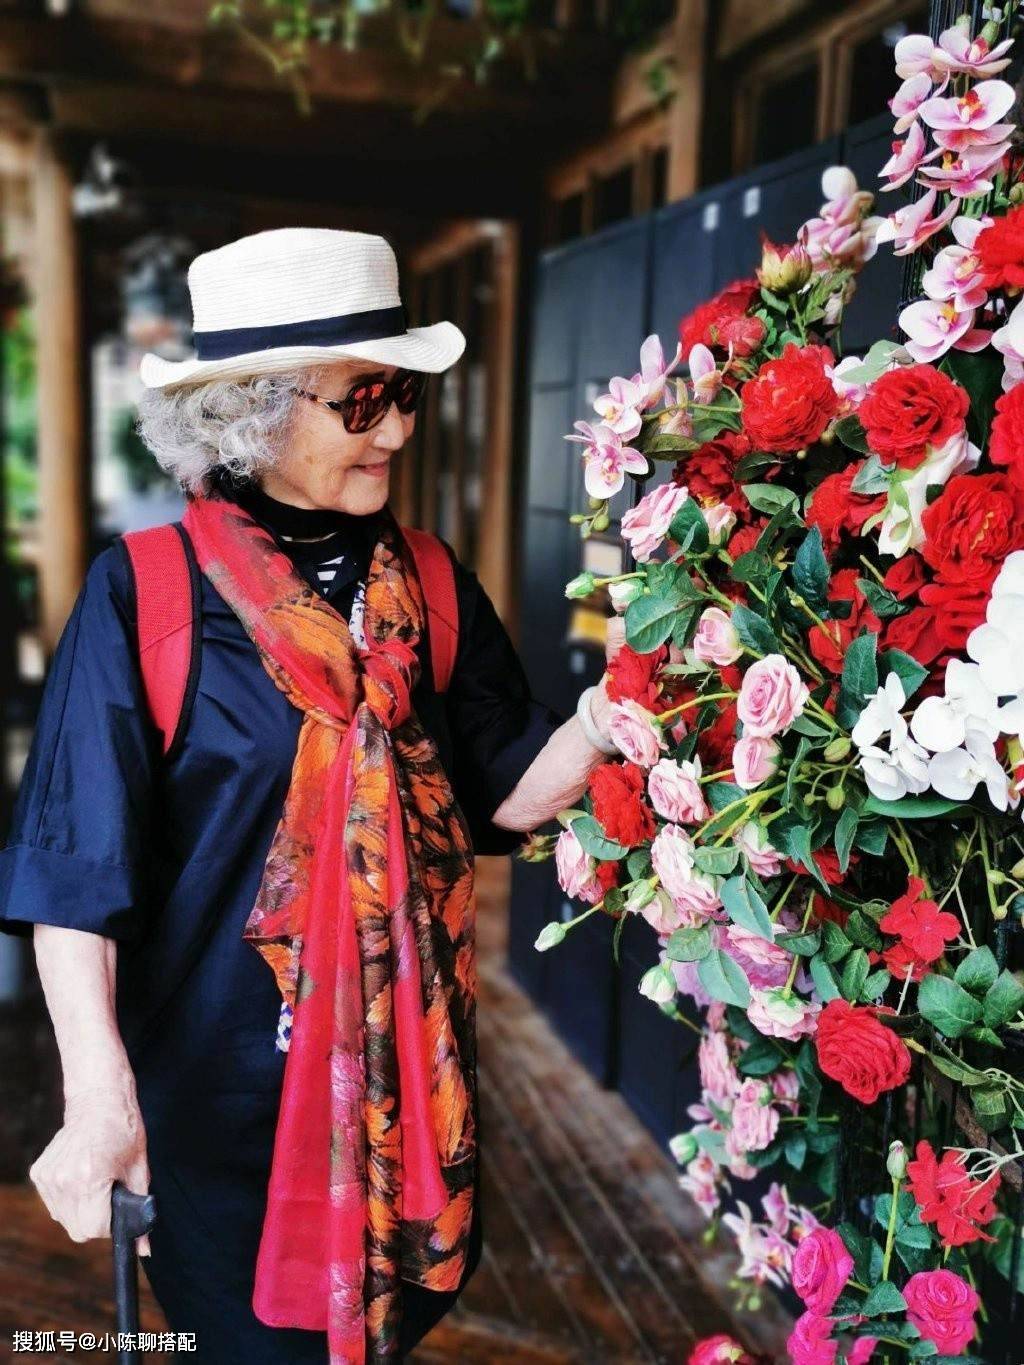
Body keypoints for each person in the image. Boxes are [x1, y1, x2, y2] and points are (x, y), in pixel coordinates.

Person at [0, 228, 623, 1364]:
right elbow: (72, 871)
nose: (396, 427)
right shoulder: (145, 593)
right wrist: (98, 1096)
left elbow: (513, 790)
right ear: (252, 408)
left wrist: (606, 716)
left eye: (403, 395)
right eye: (363, 399)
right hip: (210, 1105)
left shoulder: (430, 584)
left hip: (404, 1103)